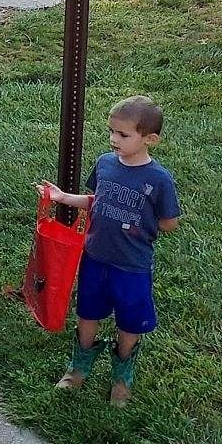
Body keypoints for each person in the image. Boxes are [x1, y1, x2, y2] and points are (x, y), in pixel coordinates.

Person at [47, 96, 180, 408]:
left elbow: (169, 222)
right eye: (111, 132)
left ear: (150, 139)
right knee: (88, 310)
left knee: (130, 320)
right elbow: (97, 200)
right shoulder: (106, 163)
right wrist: (64, 197)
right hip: (95, 256)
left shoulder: (158, 180)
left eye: (123, 135)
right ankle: (79, 366)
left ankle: (122, 373)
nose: (113, 139)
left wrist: (137, 221)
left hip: (132, 264)